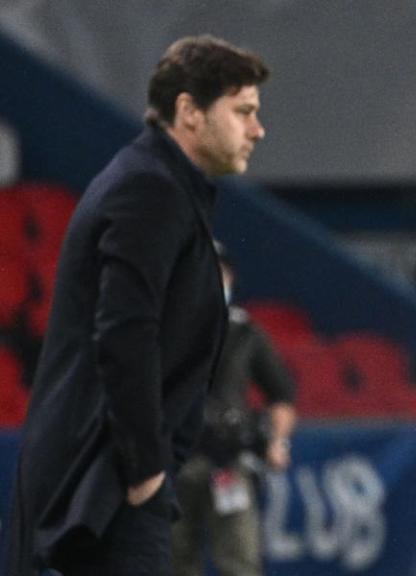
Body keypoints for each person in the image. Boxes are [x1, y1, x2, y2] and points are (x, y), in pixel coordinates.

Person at [4, 35, 269, 576]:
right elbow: (125, 335)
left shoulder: (162, 184)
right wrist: (146, 470)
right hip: (103, 486)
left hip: (111, 478)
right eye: (242, 112)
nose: (257, 130)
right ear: (189, 112)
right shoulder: (149, 189)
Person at [172, 243, 297, 576]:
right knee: (170, 561)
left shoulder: (245, 333)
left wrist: (277, 441)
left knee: (239, 561)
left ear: (230, 277)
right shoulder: (162, 331)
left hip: (228, 458)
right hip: (172, 461)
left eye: (219, 272)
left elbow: (282, 396)